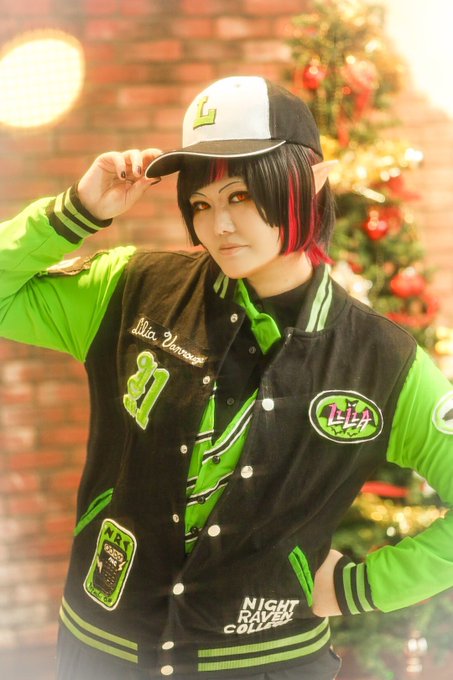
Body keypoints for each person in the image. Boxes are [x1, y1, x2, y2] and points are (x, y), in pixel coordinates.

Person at [1, 75, 453, 680]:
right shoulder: (129, 288)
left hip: (268, 662)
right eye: (202, 204)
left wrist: (360, 588)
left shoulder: (381, 359)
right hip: (102, 649)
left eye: (241, 196)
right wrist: (77, 210)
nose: (220, 226)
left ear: (311, 182)